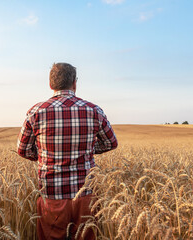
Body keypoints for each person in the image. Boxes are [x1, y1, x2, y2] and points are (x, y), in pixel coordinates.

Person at [17, 63, 118, 240]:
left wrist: (44, 155)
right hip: (86, 196)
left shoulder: (35, 112)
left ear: (50, 85)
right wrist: (87, 151)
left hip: (52, 196)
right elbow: (111, 143)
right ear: (74, 83)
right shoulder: (93, 110)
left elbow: (23, 150)